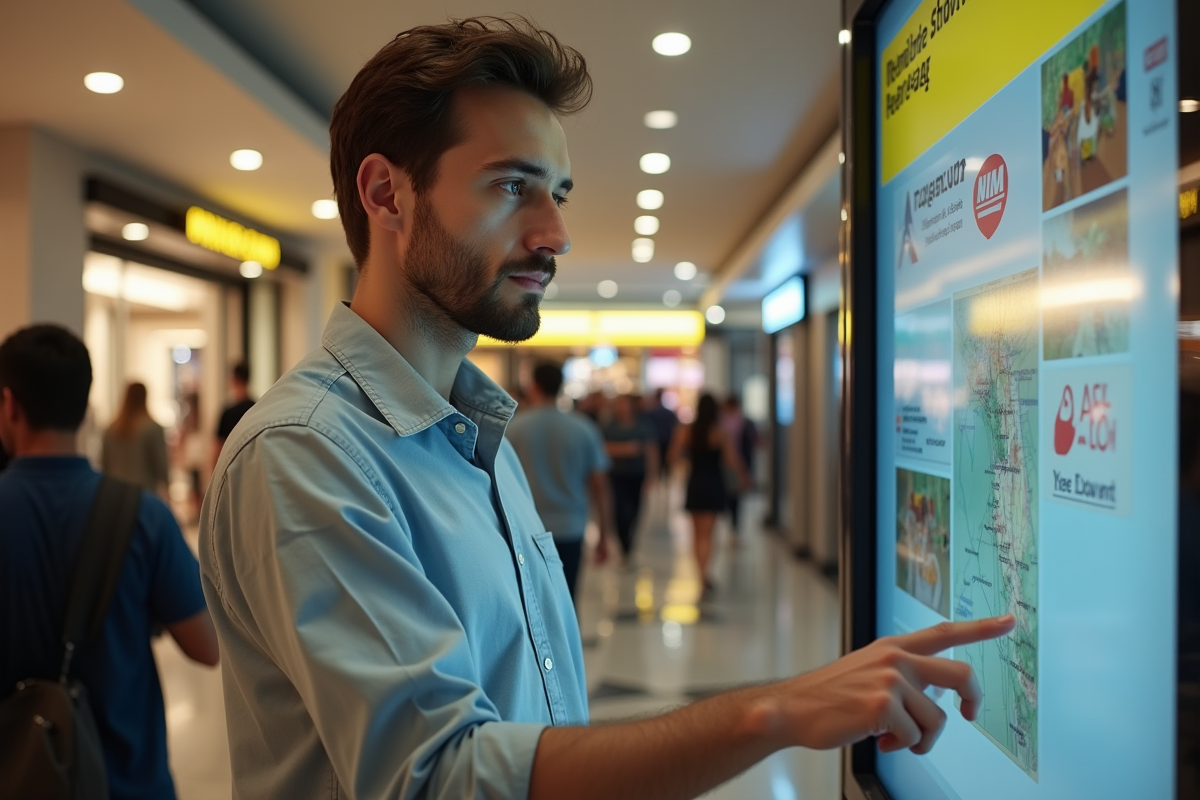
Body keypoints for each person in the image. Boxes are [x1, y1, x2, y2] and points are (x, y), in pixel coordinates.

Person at [198, 17, 1016, 799]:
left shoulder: (480, 441)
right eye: (512, 185)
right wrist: (775, 710)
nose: (554, 231)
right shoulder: (306, 454)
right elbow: (442, 779)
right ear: (386, 194)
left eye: (556, 192)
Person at [0, 324, 219, 800]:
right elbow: (208, 647)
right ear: (84, 408)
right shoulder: (145, 519)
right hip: (128, 782)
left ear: (9, 405)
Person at [506, 361, 613, 599]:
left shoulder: (514, 429)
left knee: (532, 602)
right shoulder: (583, 428)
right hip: (571, 527)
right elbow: (599, 485)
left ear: (533, 386)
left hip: (526, 529)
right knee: (567, 598)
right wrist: (604, 535)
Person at [670, 393, 750, 596]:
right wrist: (744, 477)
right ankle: (706, 576)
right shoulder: (719, 432)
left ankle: (701, 575)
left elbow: (672, 456)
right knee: (709, 534)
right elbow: (732, 459)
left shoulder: (686, 431)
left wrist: (686, 463)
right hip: (714, 483)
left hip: (695, 483)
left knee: (697, 534)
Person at [603, 393, 658, 564]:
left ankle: (629, 543)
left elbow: (651, 451)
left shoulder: (643, 426)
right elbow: (602, 449)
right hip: (616, 475)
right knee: (619, 511)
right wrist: (626, 449)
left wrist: (652, 476)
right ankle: (623, 544)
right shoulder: (610, 427)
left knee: (635, 510)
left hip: (636, 474)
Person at [101, 381, 169, 498]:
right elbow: (161, 466)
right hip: (143, 496)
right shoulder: (152, 429)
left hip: (115, 496)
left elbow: (104, 465)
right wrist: (168, 486)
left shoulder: (111, 429)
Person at [719, 393, 758, 536]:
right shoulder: (742, 422)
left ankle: (733, 525)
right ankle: (733, 526)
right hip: (735, 463)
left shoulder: (723, 422)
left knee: (733, 495)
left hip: (730, 464)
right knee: (734, 496)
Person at [213, 361, 254, 461]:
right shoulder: (255, 408)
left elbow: (218, 448)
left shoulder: (227, 412)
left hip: (231, 465)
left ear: (234, 379)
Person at [643, 388, 679, 480]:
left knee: (657, 464)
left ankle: (658, 482)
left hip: (657, 442)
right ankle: (664, 482)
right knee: (665, 466)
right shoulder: (668, 413)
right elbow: (676, 429)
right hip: (665, 441)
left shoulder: (651, 413)